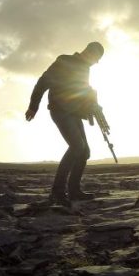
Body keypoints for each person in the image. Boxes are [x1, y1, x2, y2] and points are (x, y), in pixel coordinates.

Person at [25, 42, 105, 206]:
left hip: (74, 113)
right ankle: (57, 192)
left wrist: (93, 106)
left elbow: (81, 91)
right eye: (96, 59)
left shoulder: (86, 69)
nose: (95, 63)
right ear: (89, 52)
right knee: (77, 147)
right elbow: (43, 82)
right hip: (60, 110)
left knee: (84, 152)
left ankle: (74, 191)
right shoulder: (64, 60)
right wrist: (33, 106)